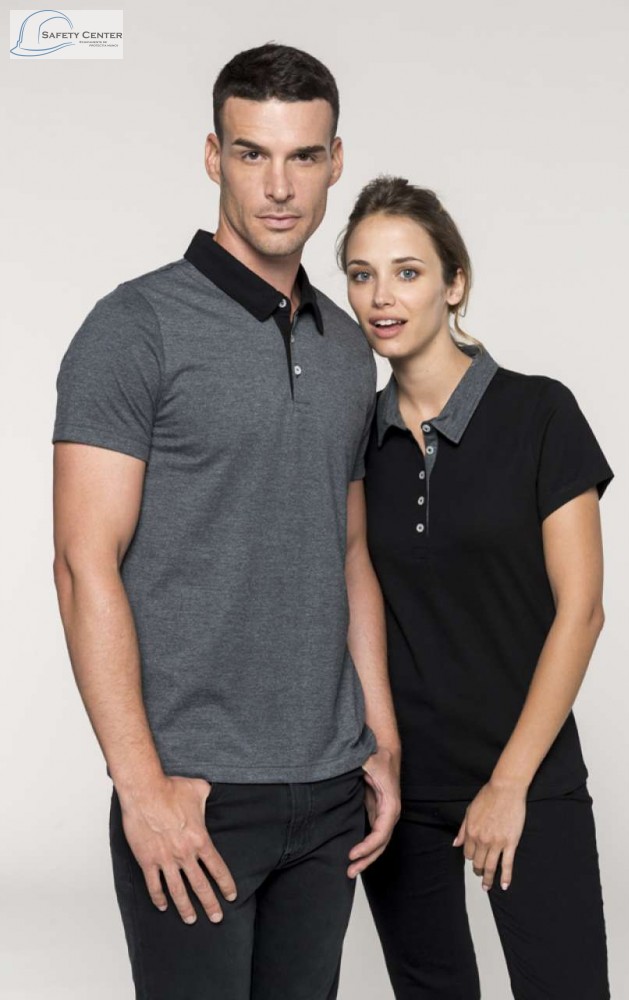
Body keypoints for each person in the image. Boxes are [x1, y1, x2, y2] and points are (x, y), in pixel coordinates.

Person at [51, 45, 401, 1000]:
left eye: (302, 156)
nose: (278, 187)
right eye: (252, 154)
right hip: (194, 795)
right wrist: (141, 787)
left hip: (328, 792)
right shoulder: (135, 327)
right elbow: (83, 564)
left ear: (334, 160)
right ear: (213, 156)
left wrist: (379, 737)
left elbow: (350, 550)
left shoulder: (347, 350)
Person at [337, 175, 612, 999]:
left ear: (453, 283)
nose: (381, 296)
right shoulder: (353, 443)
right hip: (401, 783)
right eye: (360, 274)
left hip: (527, 771)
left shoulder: (539, 414)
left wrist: (508, 783)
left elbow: (581, 612)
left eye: (407, 271)